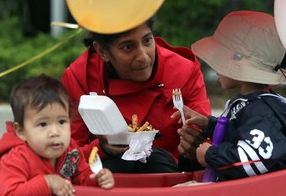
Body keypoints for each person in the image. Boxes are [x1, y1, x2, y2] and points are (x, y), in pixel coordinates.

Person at [62, 16, 211, 173]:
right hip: (108, 182)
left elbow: (208, 144)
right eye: (127, 47)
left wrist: (196, 146)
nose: (143, 56)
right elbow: (68, 157)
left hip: (172, 181)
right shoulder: (80, 77)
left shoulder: (184, 71)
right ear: (102, 51)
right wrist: (102, 148)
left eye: (147, 41)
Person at [177, 10, 286, 182]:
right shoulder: (254, 105)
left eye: (220, 57)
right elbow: (242, 132)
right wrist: (210, 124)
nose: (214, 63)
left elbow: (253, 159)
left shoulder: (261, 112)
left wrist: (211, 155)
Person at [0, 75, 114, 196]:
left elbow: (80, 177)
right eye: (43, 124)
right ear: (21, 131)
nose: (55, 132)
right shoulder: (16, 157)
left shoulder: (70, 150)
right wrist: (48, 182)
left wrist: (96, 179)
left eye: (61, 122)